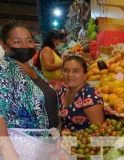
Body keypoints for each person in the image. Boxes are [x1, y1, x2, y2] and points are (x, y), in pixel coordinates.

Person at [0, 23, 59, 159]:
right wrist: (7, 151)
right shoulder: (4, 69)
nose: (25, 46)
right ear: (4, 44)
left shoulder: (32, 69)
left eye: (29, 41)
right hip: (22, 148)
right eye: (17, 41)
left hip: (44, 146)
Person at [58, 55, 104, 133]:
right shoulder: (63, 90)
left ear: (85, 75)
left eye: (75, 71)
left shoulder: (90, 95)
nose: (69, 75)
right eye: (66, 70)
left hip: (82, 144)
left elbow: (98, 131)